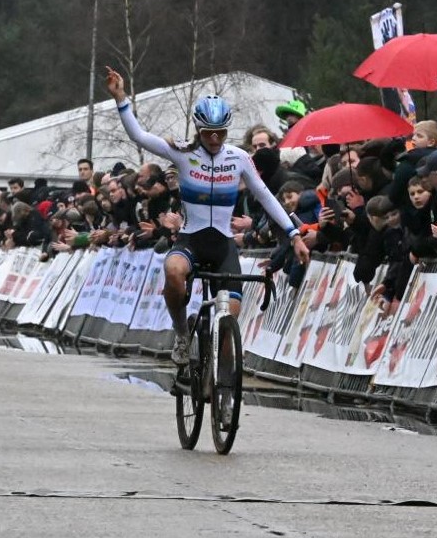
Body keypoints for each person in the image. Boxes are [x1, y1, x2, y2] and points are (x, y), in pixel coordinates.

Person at [105, 66, 309, 369]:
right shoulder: (183, 153)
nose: (214, 139)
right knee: (173, 271)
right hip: (191, 240)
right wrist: (121, 96)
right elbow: (139, 135)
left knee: (228, 327)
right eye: (208, 133)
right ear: (199, 131)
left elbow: (266, 197)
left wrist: (293, 235)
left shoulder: (238, 159)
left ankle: (222, 394)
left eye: (221, 133)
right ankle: (182, 334)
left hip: (223, 246)